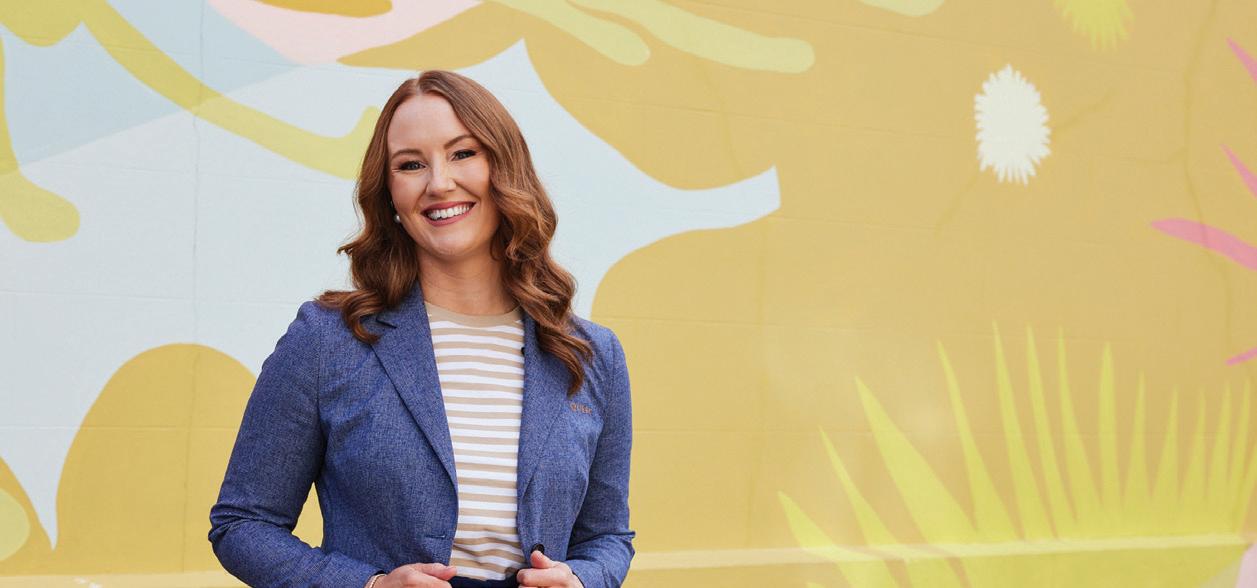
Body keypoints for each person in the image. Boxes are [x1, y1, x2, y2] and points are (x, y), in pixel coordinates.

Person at [208, 70, 634, 588]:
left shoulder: (591, 353)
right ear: (389, 193)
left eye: (463, 153)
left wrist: (583, 580)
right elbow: (242, 524)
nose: (439, 183)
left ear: (506, 169)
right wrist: (368, 586)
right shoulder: (327, 339)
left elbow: (608, 537)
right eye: (410, 164)